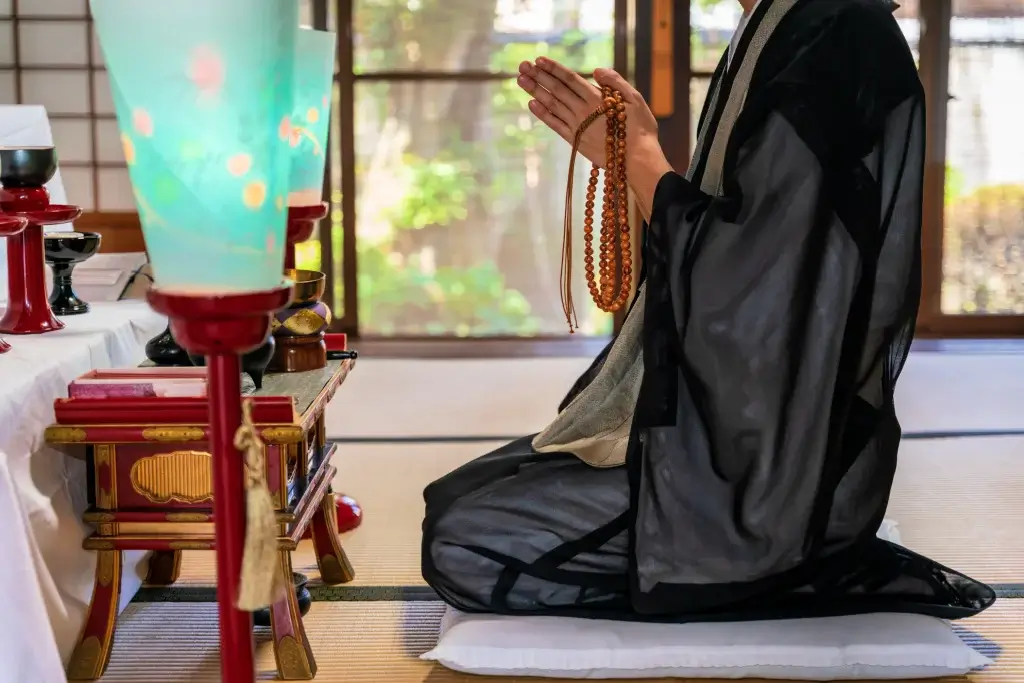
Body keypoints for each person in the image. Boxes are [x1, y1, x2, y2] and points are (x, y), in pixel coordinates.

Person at [421, 0, 996, 622]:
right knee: (456, 496)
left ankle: (780, 564)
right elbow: (742, 250)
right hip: (744, 418)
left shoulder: (836, 31)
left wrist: (635, 155)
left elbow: (749, 283)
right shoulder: (778, 23)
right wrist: (629, 155)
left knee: (463, 538)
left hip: (776, 457)